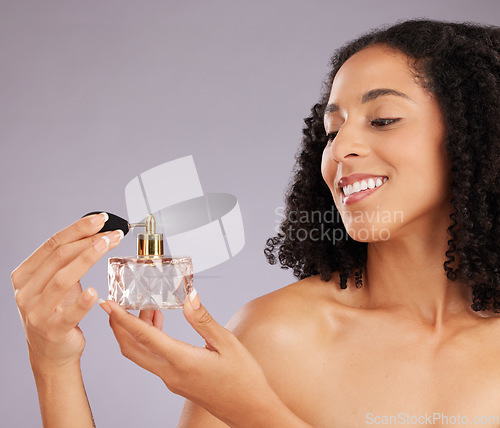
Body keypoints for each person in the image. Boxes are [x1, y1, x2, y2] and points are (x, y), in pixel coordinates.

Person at [12, 19, 500, 427]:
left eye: (383, 119)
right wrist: (53, 363)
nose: (339, 149)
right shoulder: (275, 336)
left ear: (476, 135)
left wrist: (251, 409)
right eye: (332, 129)